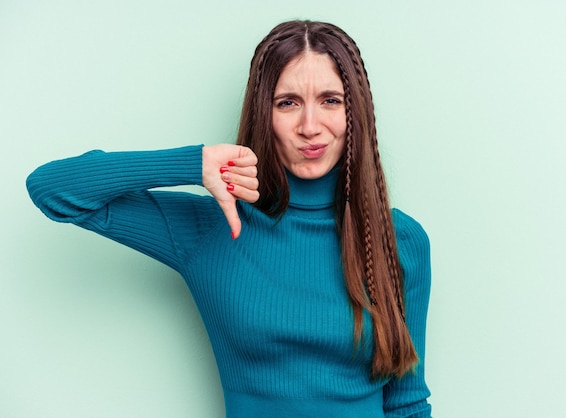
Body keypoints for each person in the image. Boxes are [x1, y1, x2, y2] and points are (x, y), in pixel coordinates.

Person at [27, 20, 432, 418]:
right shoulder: (211, 229)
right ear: (264, 113)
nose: (311, 127)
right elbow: (53, 189)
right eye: (287, 102)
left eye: (330, 100)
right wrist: (194, 162)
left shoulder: (401, 240)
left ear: (354, 112)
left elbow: (407, 403)